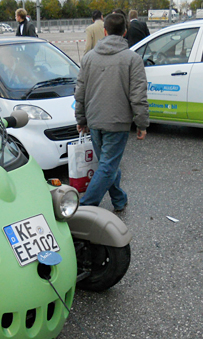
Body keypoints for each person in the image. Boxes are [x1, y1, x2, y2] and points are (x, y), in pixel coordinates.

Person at [74, 13, 149, 212]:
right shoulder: (133, 59)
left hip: (94, 120)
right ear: (125, 32)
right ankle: (85, 208)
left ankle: (119, 199)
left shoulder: (89, 58)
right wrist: (141, 123)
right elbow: (138, 95)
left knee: (107, 165)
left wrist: (81, 118)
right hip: (117, 122)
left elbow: (79, 91)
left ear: (105, 31)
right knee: (108, 166)